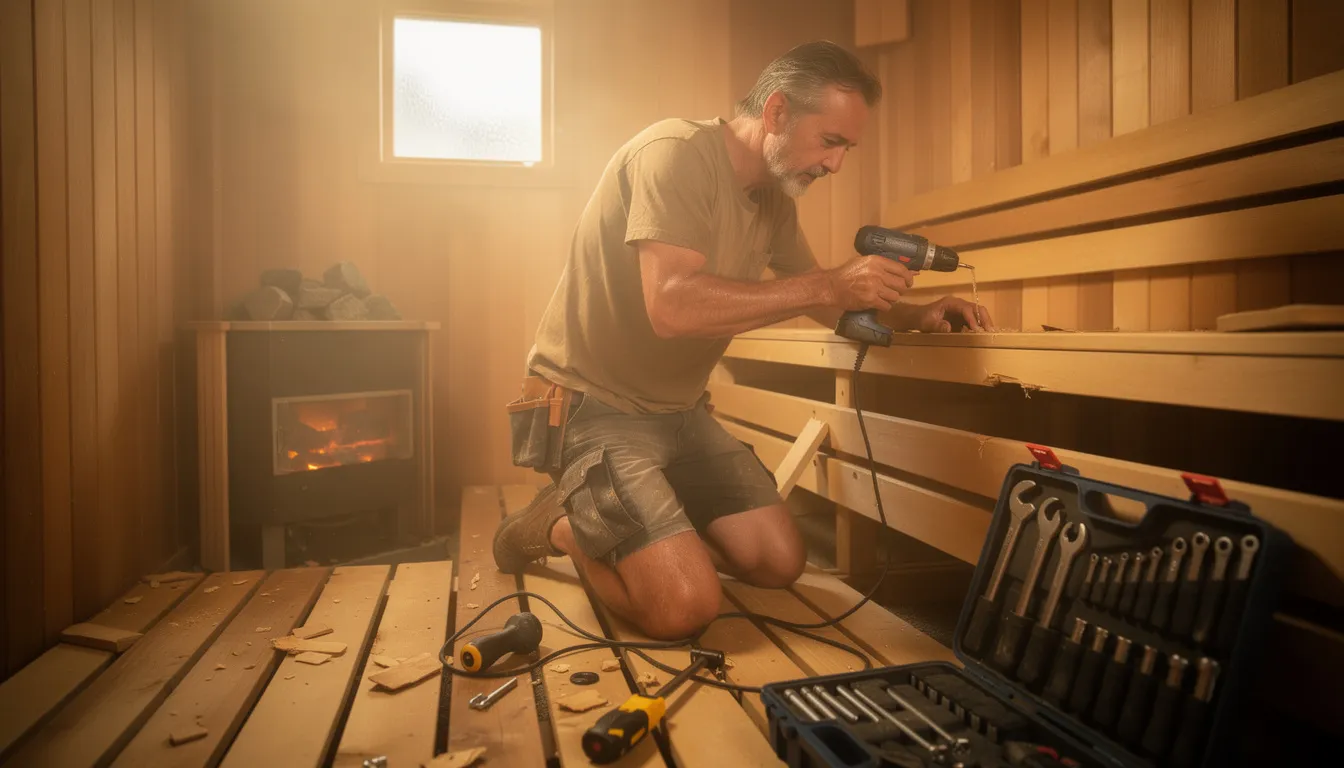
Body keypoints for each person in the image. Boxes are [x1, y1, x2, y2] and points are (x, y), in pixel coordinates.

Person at [492, 40, 993, 640]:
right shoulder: (672, 155)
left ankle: (642, 530)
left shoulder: (773, 197)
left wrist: (917, 315)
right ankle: (560, 526)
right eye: (830, 142)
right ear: (777, 112)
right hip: (590, 408)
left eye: (847, 149)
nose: (836, 165)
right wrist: (827, 284)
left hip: (679, 413)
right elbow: (671, 307)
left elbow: (825, 297)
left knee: (778, 564)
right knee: (683, 610)